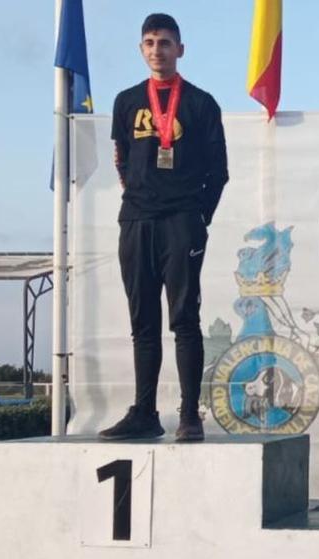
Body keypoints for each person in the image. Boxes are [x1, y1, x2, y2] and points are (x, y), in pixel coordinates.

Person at [98, 12, 229, 443]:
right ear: (141, 49)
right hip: (136, 219)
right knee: (142, 322)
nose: (158, 50)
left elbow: (218, 171)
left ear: (180, 49)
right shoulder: (126, 100)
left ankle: (190, 414)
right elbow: (121, 157)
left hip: (181, 222)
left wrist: (196, 217)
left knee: (184, 318)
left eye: (166, 43)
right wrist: (139, 195)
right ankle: (144, 412)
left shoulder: (201, 103)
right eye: (151, 43)